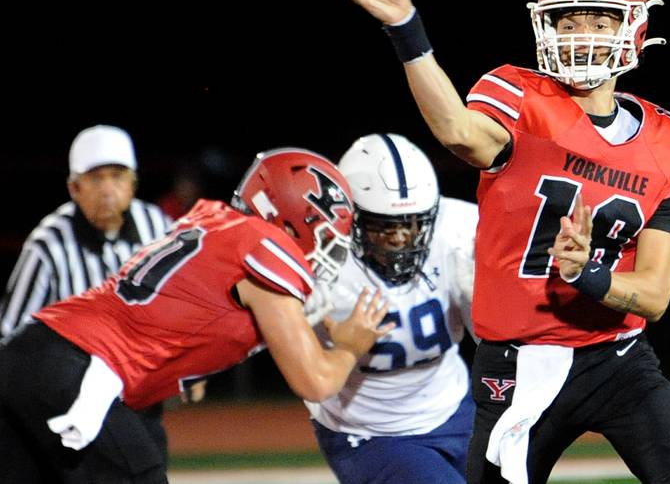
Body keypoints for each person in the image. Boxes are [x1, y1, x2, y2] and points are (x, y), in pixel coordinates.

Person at [343, 0, 670, 483]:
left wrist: (588, 275)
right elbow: (457, 131)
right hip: (516, 365)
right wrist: (405, 26)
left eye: (600, 20)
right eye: (569, 20)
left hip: (619, 360)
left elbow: (654, 296)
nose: (582, 34)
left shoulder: (668, 141)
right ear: (546, 28)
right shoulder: (521, 99)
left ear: (632, 30)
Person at [0, 147, 393, 484]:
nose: (330, 250)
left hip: (28, 356)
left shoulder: (210, 218)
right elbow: (316, 380)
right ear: (292, 219)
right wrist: (348, 347)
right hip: (77, 375)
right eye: (327, 234)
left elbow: (180, 304)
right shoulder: (268, 246)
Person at [303, 133, 478, 484]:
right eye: (385, 226)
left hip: (457, 407)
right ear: (350, 219)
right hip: (371, 431)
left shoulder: (459, 230)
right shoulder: (320, 261)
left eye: (412, 224)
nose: (401, 238)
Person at [0, 124, 175, 462]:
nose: (108, 189)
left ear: (133, 183)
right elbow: (11, 337)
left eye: (117, 176)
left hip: (141, 404)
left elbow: (184, 304)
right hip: (69, 406)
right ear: (74, 187)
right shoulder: (48, 245)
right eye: (96, 179)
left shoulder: (159, 229)